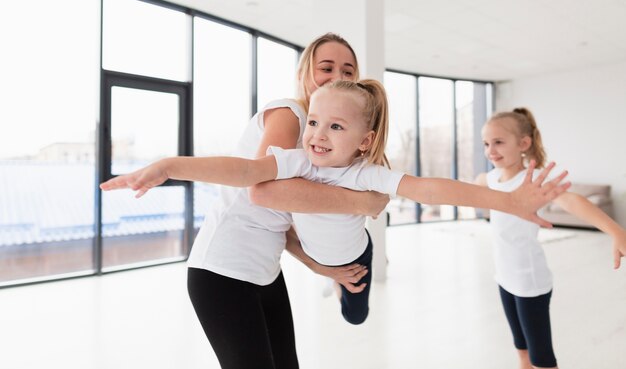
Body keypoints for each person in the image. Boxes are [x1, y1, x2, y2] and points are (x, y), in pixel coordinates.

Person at [101, 79, 571, 345]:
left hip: (356, 254)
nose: (318, 134)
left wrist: (507, 200)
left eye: (336, 126)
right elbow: (244, 171)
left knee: (355, 314)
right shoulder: (296, 160)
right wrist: (169, 166)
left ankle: (348, 295)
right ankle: (337, 284)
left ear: (364, 141)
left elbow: (429, 188)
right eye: (313, 122)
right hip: (308, 257)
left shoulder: (368, 173)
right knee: (340, 295)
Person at [475, 108, 626, 369]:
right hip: (504, 277)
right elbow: (454, 190)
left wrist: (616, 230)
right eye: (486, 143)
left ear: (524, 144)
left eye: (498, 142)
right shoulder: (488, 179)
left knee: (541, 359)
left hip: (529, 282)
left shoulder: (532, 181)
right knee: (520, 349)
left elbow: (572, 201)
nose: (491, 150)